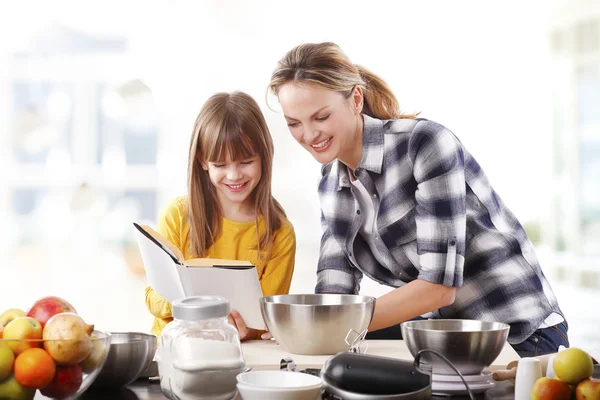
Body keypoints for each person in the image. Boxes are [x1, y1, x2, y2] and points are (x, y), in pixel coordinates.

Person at [267, 42, 568, 357]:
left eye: (321, 116)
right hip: (440, 338)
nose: (309, 134)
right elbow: (334, 292)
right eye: (294, 123)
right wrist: (286, 326)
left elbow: (439, 287)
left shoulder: (424, 145)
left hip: (518, 336)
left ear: (355, 99)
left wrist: (326, 327)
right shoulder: (331, 185)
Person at [145, 91, 296, 341]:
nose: (234, 175)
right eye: (220, 165)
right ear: (203, 162)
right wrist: (202, 307)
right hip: (173, 354)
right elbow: (153, 299)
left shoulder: (278, 233)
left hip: (238, 356)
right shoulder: (177, 216)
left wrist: (242, 329)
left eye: (246, 161)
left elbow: (266, 321)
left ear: (264, 157)